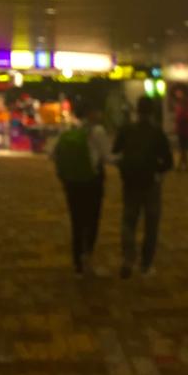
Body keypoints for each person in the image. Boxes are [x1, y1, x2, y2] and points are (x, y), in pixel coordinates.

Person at [114, 97, 174, 278]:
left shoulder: (126, 130)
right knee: (151, 224)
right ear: (152, 112)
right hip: (150, 183)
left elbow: (115, 151)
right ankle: (146, 264)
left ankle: (128, 258)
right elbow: (169, 161)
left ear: (137, 111)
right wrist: (158, 170)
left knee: (128, 221)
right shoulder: (157, 132)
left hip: (130, 182)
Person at [51, 102, 112, 275]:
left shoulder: (68, 131)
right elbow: (108, 157)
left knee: (76, 222)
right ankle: (88, 259)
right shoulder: (97, 131)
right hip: (92, 182)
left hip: (71, 182)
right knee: (91, 221)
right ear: (91, 112)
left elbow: (53, 154)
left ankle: (77, 263)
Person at [174, 89, 188, 173]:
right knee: (184, 149)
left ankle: (182, 166)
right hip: (185, 131)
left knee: (183, 149)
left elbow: (179, 119)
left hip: (183, 131)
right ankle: (184, 166)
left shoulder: (181, 108)